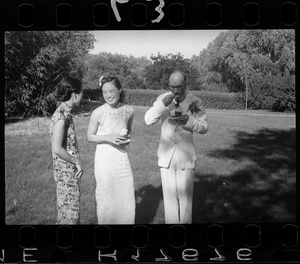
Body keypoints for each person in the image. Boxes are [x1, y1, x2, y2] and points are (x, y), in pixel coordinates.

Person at [144, 70, 208, 224]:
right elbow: (148, 120)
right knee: (169, 197)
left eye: (179, 87)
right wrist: (162, 106)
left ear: (186, 84)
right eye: (172, 87)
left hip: (186, 154)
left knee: (186, 197)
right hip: (166, 155)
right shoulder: (163, 99)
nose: (175, 91)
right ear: (169, 86)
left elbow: (204, 127)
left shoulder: (195, 102)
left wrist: (189, 121)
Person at [87, 75, 135, 224]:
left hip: (121, 160)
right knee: (106, 196)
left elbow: (128, 132)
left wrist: (126, 139)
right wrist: (108, 138)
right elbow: (90, 136)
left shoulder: (129, 111)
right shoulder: (98, 112)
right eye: (104, 92)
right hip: (104, 160)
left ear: (119, 89)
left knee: (125, 195)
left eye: (111, 91)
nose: (108, 95)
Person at [50, 76, 83, 225]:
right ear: (74, 94)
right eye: (81, 93)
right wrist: (76, 161)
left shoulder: (65, 113)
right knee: (70, 214)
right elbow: (57, 148)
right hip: (66, 172)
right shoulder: (61, 115)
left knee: (67, 211)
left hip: (67, 171)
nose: (82, 96)